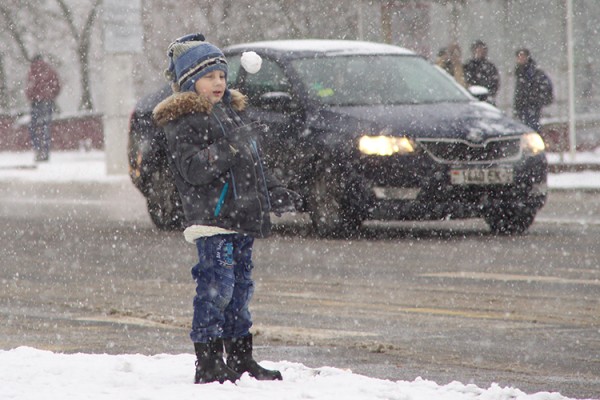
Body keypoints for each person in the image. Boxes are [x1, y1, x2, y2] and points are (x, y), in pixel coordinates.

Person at [152, 33, 301, 384]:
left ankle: (239, 357)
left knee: (240, 290)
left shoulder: (231, 113)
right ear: (190, 81)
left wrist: (274, 190)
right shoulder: (183, 120)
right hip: (213, 218)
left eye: (222, 75)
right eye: (209, 77)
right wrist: (229, 147)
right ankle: (207, 361)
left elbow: (253, 163)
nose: (218, 82)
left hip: (243, 214)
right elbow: (194, 169)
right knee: (217, 288)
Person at [25, 54, 60, 162]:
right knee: (45, 127)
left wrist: (32, 96)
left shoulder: (32, 71)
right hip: (47, 101)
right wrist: (51, 95)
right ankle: (45, 151)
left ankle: (38, 150)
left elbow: (29, 87)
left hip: (36, 102)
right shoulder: (49, 70)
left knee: (34, 127)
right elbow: (57, 85)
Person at [513, 48, 553, 132]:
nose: (521, 59)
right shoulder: (519, 73)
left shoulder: (534, 73)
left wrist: (535, 99)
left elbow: (546, 86)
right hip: (523, 108)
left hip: (531, 107)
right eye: (519, 57)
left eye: (523, 56)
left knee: (531, 130)